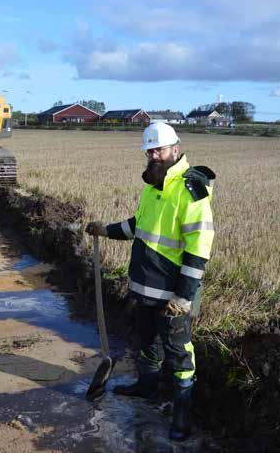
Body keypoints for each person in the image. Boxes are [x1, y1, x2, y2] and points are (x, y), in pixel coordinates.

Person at [85, 122, 215, 441]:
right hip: (145, 288)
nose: (154, 155)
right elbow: (138, 226)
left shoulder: (190, 190)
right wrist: (106, 230)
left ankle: (181, 418)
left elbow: (199, 249)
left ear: (175, 148)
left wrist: (184, 298)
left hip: (173, 295)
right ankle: (146, 388)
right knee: (147, 343)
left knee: (179, 354)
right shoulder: (153, 184)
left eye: (159, 149)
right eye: (150, 150)